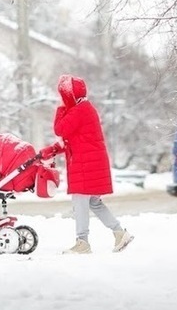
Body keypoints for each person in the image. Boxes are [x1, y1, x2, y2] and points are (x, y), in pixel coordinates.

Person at [52, 74, 134, 254]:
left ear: (70, 95)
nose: (63, 99)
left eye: (64, 95)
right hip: (90, 162)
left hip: (85, 164)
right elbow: (70, 137)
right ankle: (120, 233)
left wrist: (60, 108)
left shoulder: (79, 110)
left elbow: (60, 129)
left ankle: (83, 242)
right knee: (94, 203)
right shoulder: (85, 108)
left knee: (80, 201)